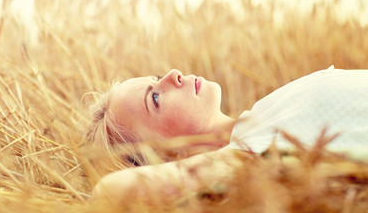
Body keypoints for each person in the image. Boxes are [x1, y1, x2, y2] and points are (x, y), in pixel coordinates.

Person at [88, 66, 368, 205]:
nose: (173, 74)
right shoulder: (245, 157)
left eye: (156, 77)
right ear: (169, 157)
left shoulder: (264, 114)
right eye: (156, 99)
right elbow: (110, 193)